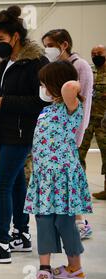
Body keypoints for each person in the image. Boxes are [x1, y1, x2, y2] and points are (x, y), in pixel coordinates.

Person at [0, 6, 49, 263]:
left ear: (16, 36)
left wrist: (4, 102)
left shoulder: (36, 63)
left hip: (23, 133)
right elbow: (8, 96)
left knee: (0, 185)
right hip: (6, 131)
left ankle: (1, 244)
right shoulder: (6, 62)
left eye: (1, 40)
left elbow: (41, 102)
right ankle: (21, 234)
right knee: (16, 184)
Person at [23, 61, 93, 279]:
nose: (42, 88)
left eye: (45, 84)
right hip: (44, 177)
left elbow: (72, 86)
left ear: (56, 84)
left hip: (63, 177)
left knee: (65, 223)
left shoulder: (71, 107)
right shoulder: (47, 109)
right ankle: (44, 268)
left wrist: (65, 76)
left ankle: (75, 267)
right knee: (43, 221)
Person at [42, 29, 94, 239]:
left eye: (50, 45)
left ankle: (80, 221)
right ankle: (68, 219)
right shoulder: (55, 67)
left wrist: (77, 133)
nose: (47, 49)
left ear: (63, 45)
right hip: (56, 133)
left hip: (71, 132)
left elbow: (84, 101)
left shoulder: (80, 66)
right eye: (45, 45)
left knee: (71, 178)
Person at [79, 45, 106, 201]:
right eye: (93, 53)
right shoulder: (90, 72)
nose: (96, 56)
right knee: (79, 153)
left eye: (99, 53)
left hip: (104, 121)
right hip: (88, 119)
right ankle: (80, 188)